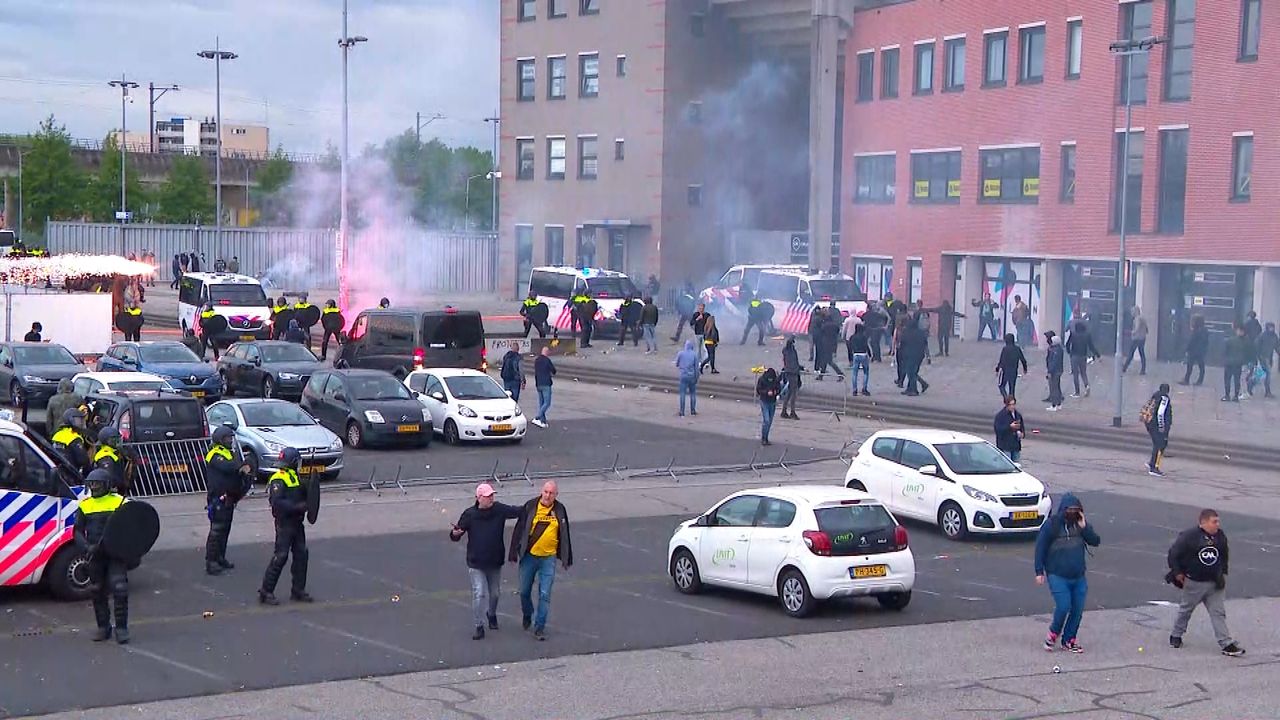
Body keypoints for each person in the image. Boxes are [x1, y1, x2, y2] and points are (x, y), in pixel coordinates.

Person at [1166, 509, 1244, 656]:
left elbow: (1224, 554)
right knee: (1186, 610)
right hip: (1195, 582)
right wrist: (1177, 573)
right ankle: (1176, 635)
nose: (1217, 525)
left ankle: (1226, 644)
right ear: (1203, 523)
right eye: (1214, 522)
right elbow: (1174, 554)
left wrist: (1223, 572)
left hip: (1214, 582)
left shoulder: (1220, 536)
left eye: (1218, 521)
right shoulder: (1189, 536)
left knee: (1218, 613)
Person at [450, 483, 522, 640]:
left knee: (495, 593)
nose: (491, 498)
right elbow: (456, 534)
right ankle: (479, 625)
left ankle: (492, 614)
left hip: (494, 561)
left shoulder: (499, 510)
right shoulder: (469, 515)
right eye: (488, 496)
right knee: (479, 593)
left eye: (492, 495)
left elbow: (517, 511)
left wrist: (534, 505)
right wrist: (455, 533)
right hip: (476, 563)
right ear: (479, 498)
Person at [1034, 493, 1100, 654]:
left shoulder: (1080, 525)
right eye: (1069, 510)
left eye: (1075, 510)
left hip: (1078, 576)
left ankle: (1069, 640)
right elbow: (1040, 547)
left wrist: (1085, 528)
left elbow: (1095, 541)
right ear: (1063, 509)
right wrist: (1039, 571)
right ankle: (1053, 634)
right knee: (1063, 606)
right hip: (1057, 574)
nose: (1072, 513)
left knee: (1077, 610)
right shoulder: (1052, 525)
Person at [508, 481, 573, 641]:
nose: (547, 495)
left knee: (544, 594)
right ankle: (527, 614)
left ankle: (539, 627)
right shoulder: (530, 506)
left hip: (548, 558)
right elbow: (519, 529)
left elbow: (565, 534)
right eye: (545, 491)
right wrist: (513, 553)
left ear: (556, 495)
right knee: (524, 591)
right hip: (529, 556)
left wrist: (566, 557)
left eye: (551, 493)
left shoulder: (560, 509)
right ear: (541, 491)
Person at [74, 469, 131, 643]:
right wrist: (86, 547)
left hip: (115, 553)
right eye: (91, 483)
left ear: (107, 484)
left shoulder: (120, 502)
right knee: (97, 590)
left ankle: (121, 629)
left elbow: (133, 526)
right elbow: (77, 531)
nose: (94, 486)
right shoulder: (85, 505)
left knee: (120, 589)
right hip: (95, 555)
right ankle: (103, 627)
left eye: (97, 483)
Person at [259, 447, 313, 605]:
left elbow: (304, 494)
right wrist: (298, 507)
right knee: (280, 556)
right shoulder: (278, 478)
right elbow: (277, 503)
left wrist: (309, 486)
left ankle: (298, 590)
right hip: (285, 523)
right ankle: (266, 591)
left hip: (297, 523)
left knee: (301, 555)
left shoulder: (294, 476)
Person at [204, 425, 252, 576]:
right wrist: (241, 465)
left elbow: (239, 468)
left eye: (231, 438)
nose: (230, 441)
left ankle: (220, 557)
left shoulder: (229, 453)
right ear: (219, 439)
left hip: (230, 497)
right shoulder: (214, 454)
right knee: (216, 530)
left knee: (225, 529)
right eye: (227, 438)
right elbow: (228, 467)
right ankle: (211, 561)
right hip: (218, 498)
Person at [92, 427, 134, 496]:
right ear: (106, 441)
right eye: (114, 440)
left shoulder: (113, 453)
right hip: (112, 493)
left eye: (118, 439)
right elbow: (108, 476)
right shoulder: (105, 456)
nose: (117, 442)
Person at [1142, 383, 1173, 477]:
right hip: (1156, 425)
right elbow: (1160, 413)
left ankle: (1152, 462)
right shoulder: (1164, 398)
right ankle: (1154, 467)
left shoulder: (1155, 395)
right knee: (1160, 444)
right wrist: (1162, 427)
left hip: (1149, 423)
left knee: (1157, 444)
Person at [1065, 320, 1100, 397]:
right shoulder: (1087, 335)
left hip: (1074, 355)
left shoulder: (1073, 335)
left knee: (1075, 374)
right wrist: (1097, 355)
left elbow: (1067, 344)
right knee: (1083, 373)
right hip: (1083, 356)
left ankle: (1077, 392)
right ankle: (1086, 385)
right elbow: (1091, 346)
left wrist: (1069, 352)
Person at [52, 409, 91, 475]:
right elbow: (83, 460)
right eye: (78, 420)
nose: (81, 422)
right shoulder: (74, 438)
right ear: (70, 420)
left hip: (58, 471)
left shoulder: (58, 434)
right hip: (71, 473)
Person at [899, 323, 930, 396]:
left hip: (909, 354)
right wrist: (928, 356)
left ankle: (914, 390)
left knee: (910, 372)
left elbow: (902, 344)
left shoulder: (906, 333)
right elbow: (926, 345)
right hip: (919, 355)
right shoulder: (921, 333)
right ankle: (913, 387)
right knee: (913, 372)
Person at [1222, 324, 1251, 402]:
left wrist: (1225, 359)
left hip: (1230, 362)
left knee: (1228, 379)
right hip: (1238, 363)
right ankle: (1235, 396)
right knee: (1236, 380)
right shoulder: (1246, 342)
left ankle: (1227, 395)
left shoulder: (1230, 340)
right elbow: (1248, 353)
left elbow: (1225, 351)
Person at [996, 333, 1029, 400]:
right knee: (1012, 387)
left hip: (1005, 371)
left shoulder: (1005, 349)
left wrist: (997, 369)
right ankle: (1012, 399)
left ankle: (1006, 398)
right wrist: (1025, 368)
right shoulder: (1017, 349)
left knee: (1001, 386)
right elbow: (1023, 359)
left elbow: (1002, 360)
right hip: (1014, 371)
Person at [993, 395, 1025, 463]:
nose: (1012, 406)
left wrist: (1022, 433)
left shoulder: (1017, 415)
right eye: (1010, 405)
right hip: (1005, 446)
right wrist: (1009, 427)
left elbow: (1022, 427)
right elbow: (998, 430)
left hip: (1015, 445)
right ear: (1006, 405)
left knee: (1016, 465)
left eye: (1013, 404)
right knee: (1007, 464)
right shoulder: (1000, 416)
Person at [1179, 314, 1209, 386]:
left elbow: (1191, 341)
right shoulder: (1205, 330)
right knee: (1201, 366)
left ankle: (1187, 380)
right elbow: (1206, 342)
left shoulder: (1196, 331)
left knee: (1190, 366)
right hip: (1201, 351)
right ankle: (1199, 381)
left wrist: (1186, 349)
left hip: (1193, 351)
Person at [779, 336, 803, 419]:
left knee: (790, 393)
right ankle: (792, 412)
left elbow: (795, 362)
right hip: (792, 373)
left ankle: (784, 411)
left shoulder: (790, 351)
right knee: (793, 393)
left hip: (792, 372)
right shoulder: (788, 351)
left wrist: (801, 368)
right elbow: (792, 363)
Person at [756, 368, 780, 446]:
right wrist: (766, 392)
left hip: (772, 402)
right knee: (766, 420)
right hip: (764, 401)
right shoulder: (762, 379)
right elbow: (758, 390)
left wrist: (776, 392)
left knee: (769, 421)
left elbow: (778, 388)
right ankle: (763, 438)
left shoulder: (775, 380)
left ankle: (766, 437)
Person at [532, 346, 555, 428]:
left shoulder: (537, 360)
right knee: (547, 403)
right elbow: (553, 370)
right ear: (547, 352)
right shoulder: (547, 360)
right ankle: (537, 417)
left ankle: (543, 421)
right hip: (546, 383)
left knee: (541, 403)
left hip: (538, 383)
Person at [675, 340, 699, 417]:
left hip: (683, 376)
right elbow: (696, 368)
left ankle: (682, 412)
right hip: (692, 376)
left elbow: (676, 364)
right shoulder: (695, 355)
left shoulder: (680, 353)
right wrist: (696, 377)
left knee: (682, 394)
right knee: (693, 394)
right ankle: (693, 411)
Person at [1122, 306, 1149, 375]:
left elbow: (1136, 328)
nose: (1131, 313)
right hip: (1142, 338)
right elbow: (1147, 329)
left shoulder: (1137, 319)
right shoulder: (1143, 318)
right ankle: (1143, 370)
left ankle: (1124, 368)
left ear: (1136, 311)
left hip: (1136, 339)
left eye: (1132, 311)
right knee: (1142, 353)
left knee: (1131, 353)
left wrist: (1130, 332)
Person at [846, 323, 871, 396]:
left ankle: (854, 390)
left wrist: (850, 357)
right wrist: (870, 354)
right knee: (866, 372)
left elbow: (850, 348)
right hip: (863, 354)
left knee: (854, 373)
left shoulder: (852, 337)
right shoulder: (864, 337)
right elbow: (866, 346)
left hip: (856, 355)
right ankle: (864, 389)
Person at [1044, 331, 1065, 411]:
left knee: (1054, 388)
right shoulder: (1059, 349)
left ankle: (1054, 405)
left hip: (1054, 371)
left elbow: (1053, 362)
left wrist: (1050, 371)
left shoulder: (1054, 350)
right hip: (1059, 370)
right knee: (1057, 387)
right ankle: (1058, 404)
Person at [689, 303, 710, 367]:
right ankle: (698, 361)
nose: (701, 309)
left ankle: (705, 362)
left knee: (705, 348)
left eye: (702, 308)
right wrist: (697, 319)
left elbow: (710, 323)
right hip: (697, 334)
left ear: (704, 308)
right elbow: (691, 323)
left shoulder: (707, 315)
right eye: (700, 308)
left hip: (705, 334)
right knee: (698, 349)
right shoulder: (695, 315)